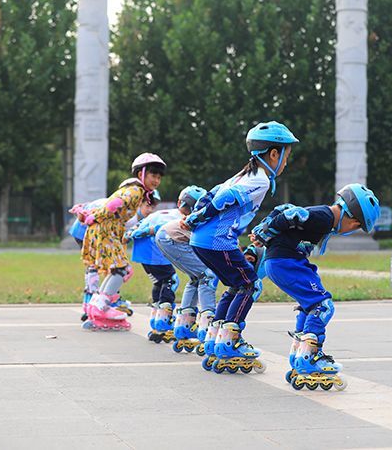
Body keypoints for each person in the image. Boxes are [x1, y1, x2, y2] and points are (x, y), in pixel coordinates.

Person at [182, 121, 299, 373]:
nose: (286, 163)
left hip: (203, 241)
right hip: (217, 240)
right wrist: (199, 217)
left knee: (236, 285)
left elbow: (212, 192)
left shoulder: (242, 174)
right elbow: (224, 198)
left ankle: (215, 337)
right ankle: (230, 341)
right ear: (274, 154)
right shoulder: (260, 180)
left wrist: (197, 214)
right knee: (250, 284)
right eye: (286, 156)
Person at [253, 183, 380, 391]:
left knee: (309, 305)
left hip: (283, 262)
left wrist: (265, 231)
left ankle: (298, 354)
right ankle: (309, 356)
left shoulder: (325, 218)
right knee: (323, 306)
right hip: (286, 262)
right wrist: (265, 232)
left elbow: (285, 210)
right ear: (353, 219)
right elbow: (293, 213)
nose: (353, 231)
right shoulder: (325, 216)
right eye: (357, 227)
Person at [80, 152, 166, 331]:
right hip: (106, 229)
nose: (156, 180)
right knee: (122, 269)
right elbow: (114, 204)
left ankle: (97, 304)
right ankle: (100, 306)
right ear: (141, 173)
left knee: (118, 269)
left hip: (107, 229)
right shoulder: (136, 190)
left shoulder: (134, 189)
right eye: (153, 175)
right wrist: (95, 216)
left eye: (159, 177)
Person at [155, 185, 219, 354]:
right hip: (172, 239)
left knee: (196, 277)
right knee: (208, 275)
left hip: (164, 237)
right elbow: (206, 246)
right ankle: (207, 323)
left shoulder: (185, 218)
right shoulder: (195, 223)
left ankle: (184, 325)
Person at [126, 192, 183, 343]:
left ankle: (156, 320)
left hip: (143, 253)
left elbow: (138, 226)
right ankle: (163, 322)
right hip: (154, 250)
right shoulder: (181, 217)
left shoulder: (160, 213)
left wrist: (130, 233)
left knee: (159, 283)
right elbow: (161, 228)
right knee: (171, 280)